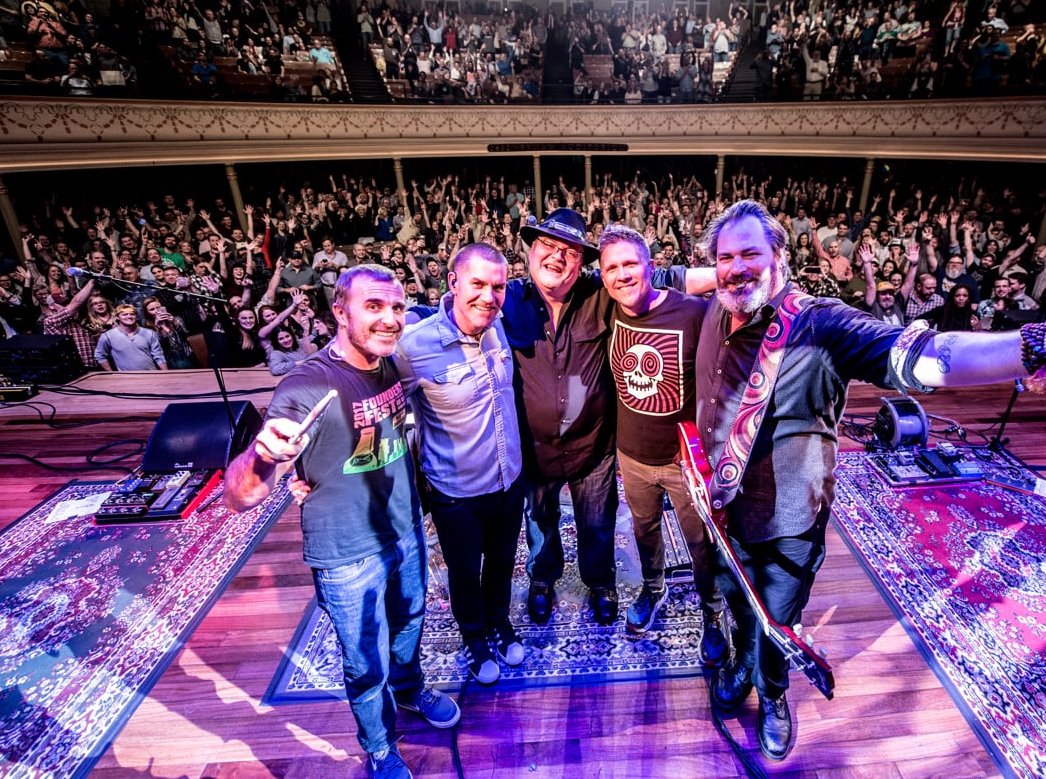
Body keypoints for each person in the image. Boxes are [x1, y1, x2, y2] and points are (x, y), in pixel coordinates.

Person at [697, 200, 1046, 761]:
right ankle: (739, 663)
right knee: (736, 599)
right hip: (723, 509)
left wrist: (1043, 344)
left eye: (750, 254)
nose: (736, 268)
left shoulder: (822, 323)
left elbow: (923, 356)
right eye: (725, 257)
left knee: (779, 619)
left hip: (789, 516)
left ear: (779, 257)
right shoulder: (713, 312)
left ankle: (772, 693)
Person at [224, 265, 460, 779]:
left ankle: (410, 689)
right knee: (364, 660)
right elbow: (239, 497)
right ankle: (379, 746)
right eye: (373, 306)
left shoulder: (392, 363)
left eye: (396, 308)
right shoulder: (308, 384)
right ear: (339, 312)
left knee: (409, 622)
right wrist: (264, 456)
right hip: (346, 551)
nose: (389, 319)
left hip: (404, 528)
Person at [501, 208, 711, 627]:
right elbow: (454, 310)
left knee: (596, 524)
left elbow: (662, 278)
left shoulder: (600, 292)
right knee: (540, 522)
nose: (557, 256)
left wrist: (734, 273)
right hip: (535, 448)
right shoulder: (506, 299)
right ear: (530, 250)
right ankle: (543, 579)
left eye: (569, 251)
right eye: (547, 245)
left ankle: (601, 583)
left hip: (592, 446)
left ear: (581, 262)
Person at [596, 225, 727, 664]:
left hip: (683, 459)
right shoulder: (607, 309)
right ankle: (654, 588)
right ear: (602, 276)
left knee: (700, 541)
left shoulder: (692, 313)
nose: (622, 275)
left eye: (630, 264)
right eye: (611, 268)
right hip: (632, 455)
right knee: (643, 529)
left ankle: (713, 610)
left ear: (651, 266)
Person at [395, 244, 526, 686]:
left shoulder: (497, 326)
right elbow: (382, 409)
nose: (489, 297)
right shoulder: (413, 349)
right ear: (453, 283)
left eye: (498, 287)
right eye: (477, 284)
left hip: (508, 479)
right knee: (465, 571)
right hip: (456, 492)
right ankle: (474, 636)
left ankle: (499, 622)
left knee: (503, 562)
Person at [94, 304, 168, 371]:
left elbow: (159, 356)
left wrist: (166, 374)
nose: (129, 317)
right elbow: (100, 356)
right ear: (117, 317)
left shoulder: (149, 333)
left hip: (150, 375)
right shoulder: (108, 336)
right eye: (124, 314)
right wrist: (112, 374)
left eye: (132, 314)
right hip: (126, 378)